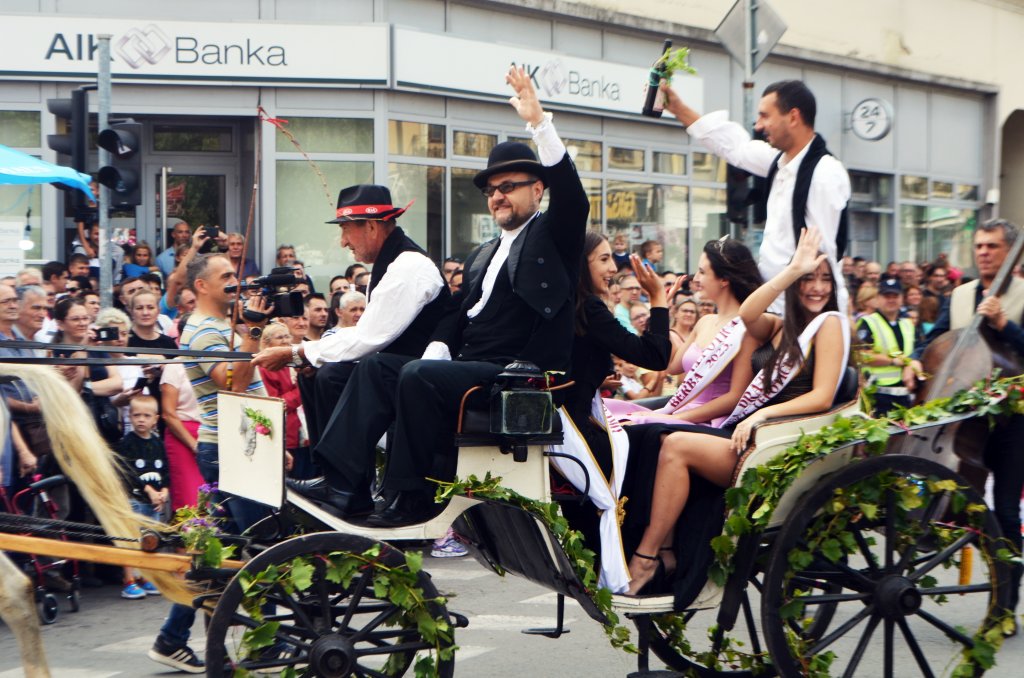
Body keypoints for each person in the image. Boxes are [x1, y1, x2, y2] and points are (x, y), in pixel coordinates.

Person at [308, 66, 590, 527]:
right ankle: (342, 485)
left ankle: (411, 499)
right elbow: (458, 314)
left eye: (509, 187)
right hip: (470, 365)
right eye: (491, 190)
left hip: (516, 373)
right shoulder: (482, 254)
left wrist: (539, 123)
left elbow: (574, 200)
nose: (497, 196)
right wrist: (439, 347)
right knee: (374, 367)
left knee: (417, 375)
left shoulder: (553, 238)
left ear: (538, 190)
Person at [625, 227, 849, 595]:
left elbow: (822, 397)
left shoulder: (830, 325)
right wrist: (794, 269)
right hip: (755, 439)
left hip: (781, 443)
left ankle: (648, 557)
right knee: (656, 436)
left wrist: (760, 415)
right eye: (809, 279)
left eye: (825, 279)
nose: (817, 288)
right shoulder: (780, 327)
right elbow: (748, 312)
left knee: (674, 444)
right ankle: (662, 550)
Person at [252, 184, 449, 482]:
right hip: (397, 369)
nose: (343, 242)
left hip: (423, 377)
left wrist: (298, 352)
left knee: (336, 371)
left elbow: (368, 338)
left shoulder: (409, 265)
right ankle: (334, 479)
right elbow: (368, 336)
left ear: (371, 226)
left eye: (345, 230)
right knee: (321, 375)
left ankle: (345, 483)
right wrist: (307, 357)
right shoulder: (390, 262)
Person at [910, 219, 1024, 623]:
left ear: (1011, 253)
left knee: (1006, 512)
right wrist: (914, 360)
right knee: (961, 503)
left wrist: (1005, 326)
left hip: (1012, 424)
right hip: (963, 420)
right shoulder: (959, 295)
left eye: (992, 246)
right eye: (979, 246)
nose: (984, 253)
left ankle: (1005, 605)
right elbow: (935, 341)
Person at [546, 234, 673, 591]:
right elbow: (655, 356)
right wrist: (659, 299)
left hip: (568, 418)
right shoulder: (589, 308)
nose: (612, 268)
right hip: (574, 428)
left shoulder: (567, 304)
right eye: (602, 259)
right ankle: (649, 555)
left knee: (649, 436)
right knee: (654, 445)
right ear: (581, 264)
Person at [660, 79, 851, 313]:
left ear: (793, 117)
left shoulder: (824, 173)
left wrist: (816, 321)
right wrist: (678, 108)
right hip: (774, 306)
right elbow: (735, 148)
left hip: (805, 313)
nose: (759, 126)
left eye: (765, 116)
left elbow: (823, 256)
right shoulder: (778, 162)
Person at [609, 239, 764, 427]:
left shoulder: (747, 327)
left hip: (709, 421)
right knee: (607, 412)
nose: (696, 279)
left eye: (702, 272)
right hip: (681, 411)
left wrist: (677, 418)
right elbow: (671, 367)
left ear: (724, 279)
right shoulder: (705, 322)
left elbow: (735, 397)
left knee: (629, 426)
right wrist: (660, 309)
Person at [115, 395, 167, 600]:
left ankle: (145, 576)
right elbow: (128, 473)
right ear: (129, 416)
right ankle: (129, 580)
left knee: (151, 539)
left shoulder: (158, 443)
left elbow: (165, 470)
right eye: (136, 415)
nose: (141, 420)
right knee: (130, 538)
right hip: (134, 500)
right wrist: (149, 491)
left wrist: (164, 491)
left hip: (154, 503)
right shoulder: (126, 443)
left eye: (146, 415)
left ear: (156, 419)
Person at [856, 278, 917, 415]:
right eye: (887, 296)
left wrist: (911, 365)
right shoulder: (868, 322)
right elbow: (861, 355)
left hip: (905, 393)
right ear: (878, 298)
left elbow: (916, 351)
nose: (891, 300)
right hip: (878, 394)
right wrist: (893, 361)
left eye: (895, 296)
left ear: (902, 299)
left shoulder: (908, 324)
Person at [258, 323, 307, 478]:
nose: (285, 341)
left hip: (303, 433)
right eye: (279, 337)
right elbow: (276, 403)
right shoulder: (266, 367)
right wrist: (302, 390)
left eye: (287, 336)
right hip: (286, 434)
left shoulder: (294, 362)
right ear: (267, 344)